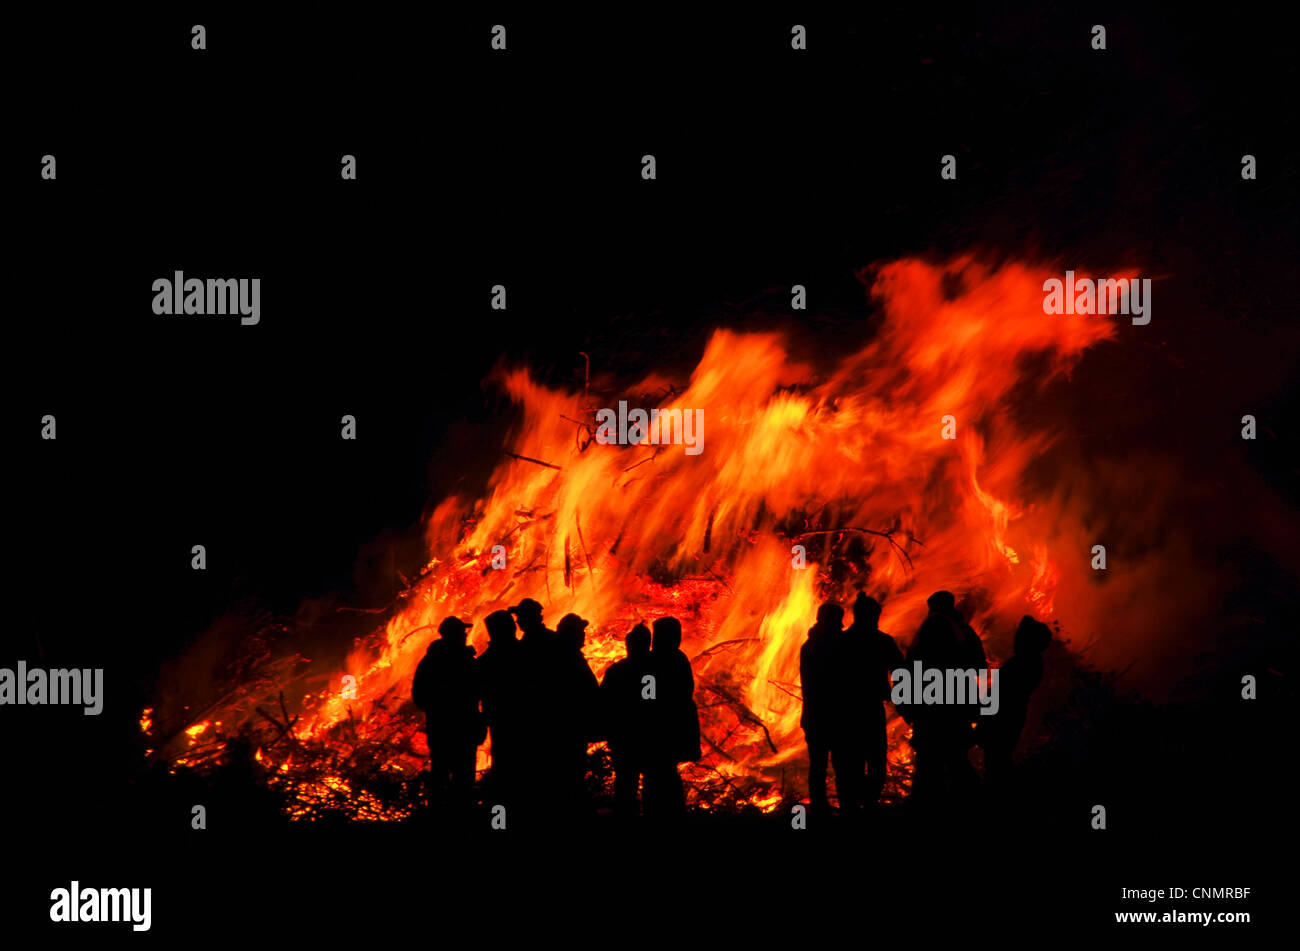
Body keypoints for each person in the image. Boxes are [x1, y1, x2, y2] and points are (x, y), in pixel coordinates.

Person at [411, 616, 484, 810]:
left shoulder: (429, 661)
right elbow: (480, 690)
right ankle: (458, 816)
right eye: (461, 632)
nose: (465, 635)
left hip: (441, 730)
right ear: (454, 635)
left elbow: (419, 695)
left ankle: (438, 813)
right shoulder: (465, 662)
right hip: (464, 730)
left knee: (440, 774)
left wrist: (436, 712)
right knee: (463, 779)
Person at [840, 593, 903, 810]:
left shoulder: (842, 642)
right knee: (874, 761)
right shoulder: (883, 641)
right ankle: (867, 803)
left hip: (848, 711)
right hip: (868, 709)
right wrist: (903, 704)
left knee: (852, 762)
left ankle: (853, 806)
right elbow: (901, 673)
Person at [979, 616, 1051, 783]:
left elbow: (1003, 693)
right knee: (998, 759)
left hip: (1004, 717)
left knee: (997, 761)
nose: (1016, 640)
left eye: (1020, 636)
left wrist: (985, 715)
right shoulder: (1029, 662)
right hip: (1010, 715)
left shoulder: (1023, 664)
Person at [645, 616, 700, 818]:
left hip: (661, 727)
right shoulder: (677, 659)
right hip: (667, 726)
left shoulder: (655, 660)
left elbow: (647, 695)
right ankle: (669, 813)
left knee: (657, 775)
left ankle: (661, 812)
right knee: (663, 775)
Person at [600, 623, 654, 818]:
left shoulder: (617, 671)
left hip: (624, 737)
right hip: (646, 736)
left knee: (625, 784)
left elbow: (603, 702)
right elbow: (651, 703)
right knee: (648, 783)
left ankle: (625, 818)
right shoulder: (653, 671)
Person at [800, 603, 845, 818]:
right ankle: (847, 806)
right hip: (835, 716)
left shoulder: (808, 645)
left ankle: (820, 807)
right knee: (842, 764)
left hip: (814, 715)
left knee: (818, 765)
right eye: (838, 619)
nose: (842, 624)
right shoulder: (839, 645)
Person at [553, 612, 600, 815]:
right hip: (569, 729)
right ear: (570, 634)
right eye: (580, 631)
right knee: (570, 775)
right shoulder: (567, 658)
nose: (583, 634)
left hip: (572, 728)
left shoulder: (566, 655)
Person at [477, 609, 524, 808]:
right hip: (524, 720)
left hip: (499, 722)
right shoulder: (525, 654)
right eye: (510, 625)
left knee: (504, 768)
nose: (515, 627)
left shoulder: (484, 662)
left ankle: (501, 819)